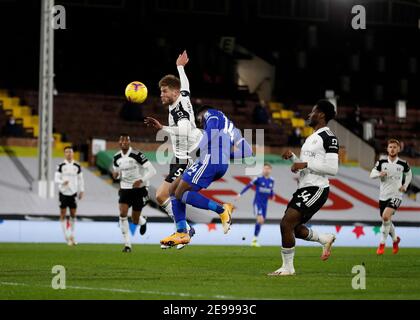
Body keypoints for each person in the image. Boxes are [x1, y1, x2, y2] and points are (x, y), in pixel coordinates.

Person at [159, 106, 253, 248]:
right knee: (173, 189)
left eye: (200, 121)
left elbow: (211, 131)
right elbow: (248, 151)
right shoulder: (234, 130)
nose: (201, 124)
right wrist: (227, 155)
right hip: (219, 163)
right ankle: (181, 232)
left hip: (209, 159)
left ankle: (221, 210)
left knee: (180, 193)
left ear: (202, 114)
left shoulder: (212, 113)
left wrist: (200, 147)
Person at [268, 100, 339, 276]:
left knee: (286, 223)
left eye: (313, 111)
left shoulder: (329, 138)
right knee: (294, 228)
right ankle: (324, 238)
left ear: (321, 114)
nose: (309, 115)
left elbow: (333, 169)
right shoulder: (311, 138)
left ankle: (288, 268)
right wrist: (294, 158)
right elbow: (307, 166)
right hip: (304, 187)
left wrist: (304, 162)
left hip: (317, 188)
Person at [144, 50, 202, 250]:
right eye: (160, 91)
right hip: (179, 157)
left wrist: (162, 128)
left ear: (174, 93)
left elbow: (185, 130)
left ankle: (184, 230)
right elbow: (185, 86)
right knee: (174, 197)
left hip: (185, 158)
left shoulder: (179, 109)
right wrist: (180, 67)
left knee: (161, 195)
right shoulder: (181, 96)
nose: (161, 94)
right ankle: (184, 230)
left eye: (164, 91)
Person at [112, 134, 157, 253]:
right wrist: (115, 175)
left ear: (129, 142)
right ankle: (127, 245)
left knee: (135, 220)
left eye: (126, 140)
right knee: (122, 213)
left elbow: (153, 171)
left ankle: (143, 221)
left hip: (139, 190)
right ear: (119, 142)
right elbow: (116, 171)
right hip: (125, 189)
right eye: (121, 140)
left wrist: (141, 180)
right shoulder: (116, 157)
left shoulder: (137, 155)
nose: (124, 143)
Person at [369, 139, 412, 255]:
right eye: (390, 147)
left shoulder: (403, 163)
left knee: (386, 216)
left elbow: (409, 174)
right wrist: (379, 174)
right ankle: (395, 240)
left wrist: (405, 185)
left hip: (397, 195)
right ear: (387, 149)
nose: (392, 149)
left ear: (398, 149)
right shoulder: (382, 162)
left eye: (395, 147)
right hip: (383, 196)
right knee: (386, 219)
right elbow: (371, 174)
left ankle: (382, 244)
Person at [235, 163, 275, 247]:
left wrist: (273, 195)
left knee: (261, 221)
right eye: (265, 168)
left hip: (265, 205)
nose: (266, 170)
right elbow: (248, 186)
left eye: (268, 168)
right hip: (258, 203)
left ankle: (254, 239)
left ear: (270, 170)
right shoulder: (258, 179)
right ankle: (254, 240)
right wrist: (240, 194)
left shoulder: (272, 180)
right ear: (262, 170)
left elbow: (271, 190)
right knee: (260, 219)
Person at [54, 146, 85, 246]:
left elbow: (81, 179)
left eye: (70, 152)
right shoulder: (61, 165)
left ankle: (71, 235)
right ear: (64, 154)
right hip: (63, 192)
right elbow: (56, 179)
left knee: (73, 214)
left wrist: (82, 190)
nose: (69, 154)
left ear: (73, 153)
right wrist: (63, 181)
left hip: (73, 193)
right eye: (67, 152)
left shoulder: (77, 165)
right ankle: (66, 236)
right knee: (62, 214)